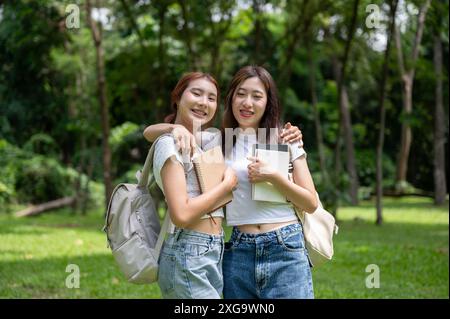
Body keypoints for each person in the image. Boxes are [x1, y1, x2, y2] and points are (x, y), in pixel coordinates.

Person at [221, 65, 317, 299]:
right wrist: (176, 129)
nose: (247, 103)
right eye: (241, 94)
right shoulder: (219, 141)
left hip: (285, 246)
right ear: (231, 97)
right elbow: (152, 132)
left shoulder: (284, 137)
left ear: (268, 102)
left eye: (257, 96)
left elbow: (310, 202)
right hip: (238, 251)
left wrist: (273, 176)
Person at [150, 72, 237, 299]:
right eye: (196, 93)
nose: (203, 103)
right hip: (188, 251)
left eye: (211, 98)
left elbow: (147, 132)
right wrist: (226, 185)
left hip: (209, 249)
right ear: (178, 97)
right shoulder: (169, 145)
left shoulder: (202, 141)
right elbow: (182, 213)